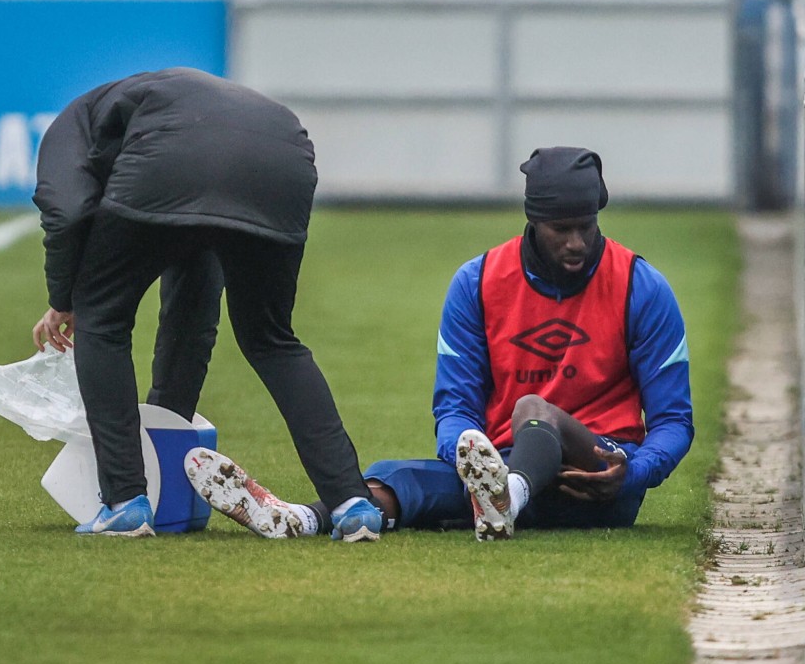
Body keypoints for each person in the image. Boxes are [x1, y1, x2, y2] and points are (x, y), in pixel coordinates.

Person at [186, 146, 693, 541]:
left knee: (535, 408)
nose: (577, 242)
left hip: (601, 473)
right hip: (504, 466)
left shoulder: (640, 287)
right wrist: (471, 465)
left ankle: (504, 498)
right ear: (533, 222)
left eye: (586, 227)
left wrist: (631, 475)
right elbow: (454, 408)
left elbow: (674, 422)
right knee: (399, 481)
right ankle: (300, 519)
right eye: (561, 229)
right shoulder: (478, 283)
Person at [31, 67, 381, 542]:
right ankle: (351, 501)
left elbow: (68, 211)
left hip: (176, 160)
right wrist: (166, 418)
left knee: (103, 318)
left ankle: (123, 503)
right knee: (272, 339)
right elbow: (192, 303)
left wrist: (65, 299)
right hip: (284, 158)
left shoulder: (69, 127)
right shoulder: (156, 108)